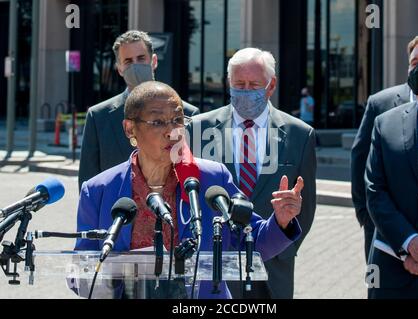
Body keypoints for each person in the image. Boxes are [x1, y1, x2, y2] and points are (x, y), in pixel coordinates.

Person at [75, 81, 305, 299]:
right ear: (129, 128)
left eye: (177, 120)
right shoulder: (98, 190)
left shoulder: (212, 178)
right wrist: (118, 273)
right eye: (158, 122)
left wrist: (281, 221)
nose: (172, 131)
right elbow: (81, 272)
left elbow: (253, 241)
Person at [189, 48, 316, 299]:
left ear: (271, 86)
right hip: (214, 267)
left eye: (254, 84)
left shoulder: (300, 135)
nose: (246, 91)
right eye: (239, 84)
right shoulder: (197, 129)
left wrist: (282, 250)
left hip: (273, 268)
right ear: (229, 83)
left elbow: (307, 207)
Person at [365, 33, 418, 299]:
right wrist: (410, 242)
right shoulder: (385, 123)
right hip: (391, 272)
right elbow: (375, 190)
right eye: (414, 62)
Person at [78, 30, 200, 191]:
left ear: (154, 61)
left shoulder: (188, 114)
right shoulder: (98, 117)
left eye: (141, 58)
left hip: (172, 211)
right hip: (117, 212)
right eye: (128, 61)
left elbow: (196, 174)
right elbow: (88, 182)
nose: (135, 65)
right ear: (119, 68)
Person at [351, 82, 411, 262]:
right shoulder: (380, 102)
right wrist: (364, 213)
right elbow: (360, 155)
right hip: (380, 229)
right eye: (415, 61)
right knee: (374, 284)